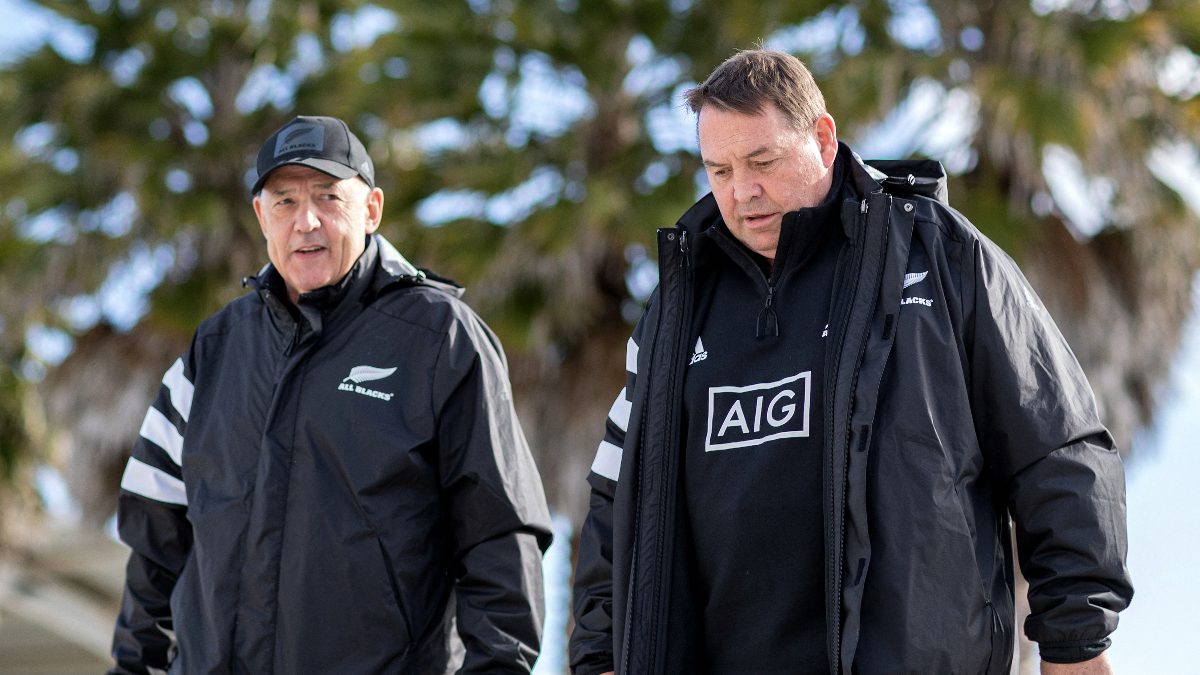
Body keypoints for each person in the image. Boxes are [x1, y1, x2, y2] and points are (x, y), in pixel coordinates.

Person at [569, 50, 1132, 675]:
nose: (742, 191)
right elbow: (616, 497)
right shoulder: (677, 306)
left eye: (763, 161)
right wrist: (597, 658)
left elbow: (1056, 447)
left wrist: (1077, 642)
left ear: (823, 138)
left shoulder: (940, 257)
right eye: (719, 170)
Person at [109, 115, 553, 674]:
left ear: (371, 209)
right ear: (260, 216)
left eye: (327, 197)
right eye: (285, 201)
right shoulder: (215, 348)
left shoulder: (441, 339)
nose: (307, 221)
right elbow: (155, 545)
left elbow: (500, 535)